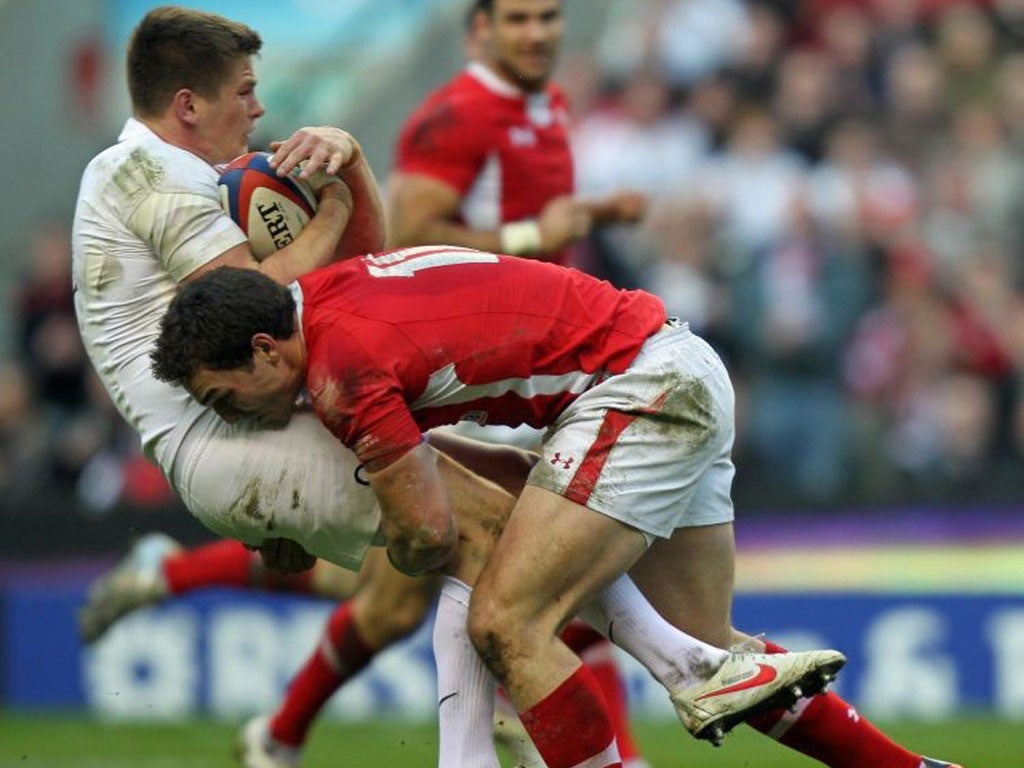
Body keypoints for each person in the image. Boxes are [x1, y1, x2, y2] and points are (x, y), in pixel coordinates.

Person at [71, 7, 842, 768]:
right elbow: (264, 310)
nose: (260, 106)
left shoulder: (543, 113)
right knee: (501, 572)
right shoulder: (155, 169)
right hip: (345, 392)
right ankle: (687, 670)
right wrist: (377, 209)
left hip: (433, 362)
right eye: (244, 89)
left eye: (548, 18)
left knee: (507, 557)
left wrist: (355, 175)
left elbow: (351, 277)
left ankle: (343, 736)